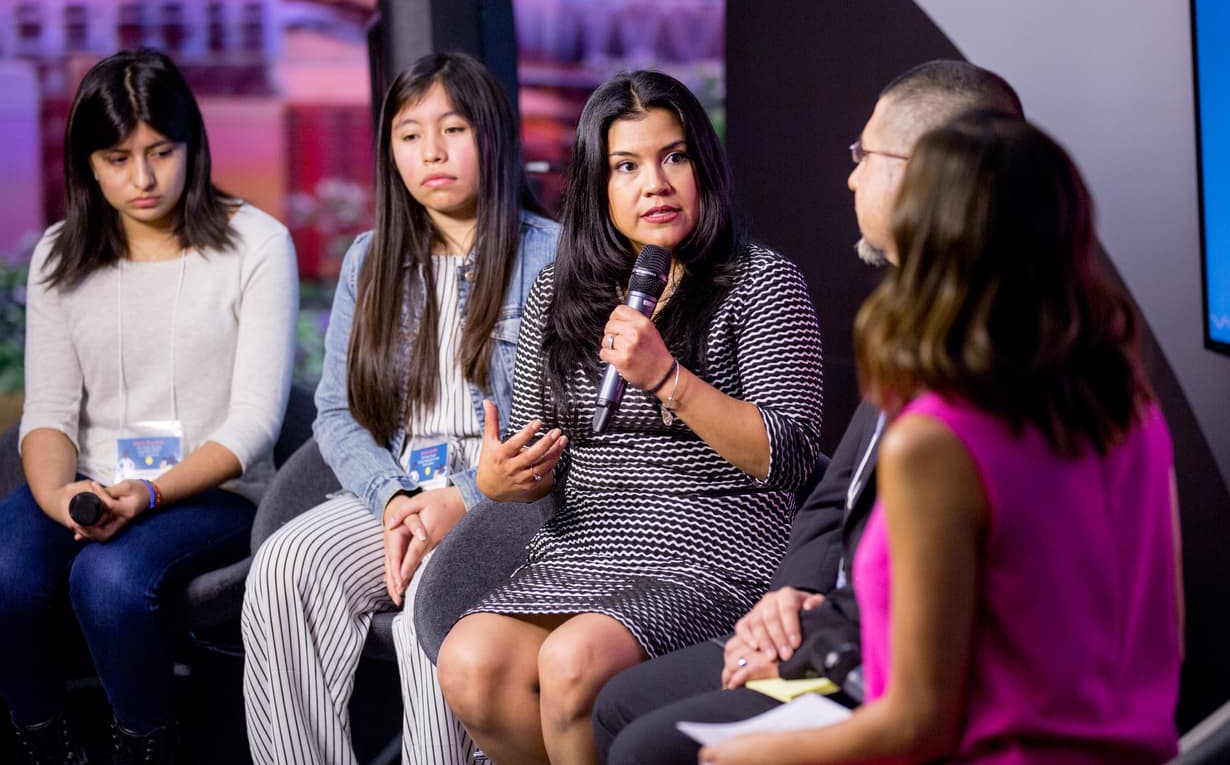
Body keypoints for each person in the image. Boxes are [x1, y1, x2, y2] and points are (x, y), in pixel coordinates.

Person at [699, 112, 1184, 763]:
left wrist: (745, 755)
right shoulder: (1129, 408)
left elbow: (916, 725)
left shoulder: (934, 442)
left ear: (929, 237)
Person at [595, 60, 1026, 764]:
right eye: (625, 165)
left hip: (871, 661)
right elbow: (837, 493)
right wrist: (791, 592)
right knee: (613, 703)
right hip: (831, 616)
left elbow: (800, 467)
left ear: (930, 175)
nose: (851, 177)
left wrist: (807, 646)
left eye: (866, 156)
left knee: (647, 743)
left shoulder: (979, 367)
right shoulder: (917, 320)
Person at [434, 70, 824, 765]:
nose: (657, 183)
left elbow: (791, 454)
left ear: (705, 166)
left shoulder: (764, 281)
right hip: (586, 545)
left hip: (713, 551)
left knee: (574, 659)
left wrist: (668, 378)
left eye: (675, 157)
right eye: (627, 165)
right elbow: (535, 449)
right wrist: (503, 476)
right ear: (598, 185)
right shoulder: (560, 290)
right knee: (469, 661)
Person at [240, 51, 559, 765]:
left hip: (506, 493)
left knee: (431, 597)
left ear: (494, 137)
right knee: (286, 565)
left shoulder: (555, 259)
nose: (432, 152)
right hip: (396, 484)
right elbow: (336, 413)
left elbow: (555, 424)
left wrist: (462, 496)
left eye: (453, 129)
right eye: (410, 135)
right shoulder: (371, 258)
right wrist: (391, 500)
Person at [0, 48, 298, 764]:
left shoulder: (258, 245)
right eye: (117, 157)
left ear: (192, 145)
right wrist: (62, 493)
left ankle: (145, 748)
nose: (142, 178)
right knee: (8, 568)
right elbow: (48, 408)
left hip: (216, 487)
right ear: (88, 165)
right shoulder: (58, 256)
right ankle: (46, 744)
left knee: (108, 580)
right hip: (94, 485)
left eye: (161, 151)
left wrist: (150, 490)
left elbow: (254, 421)